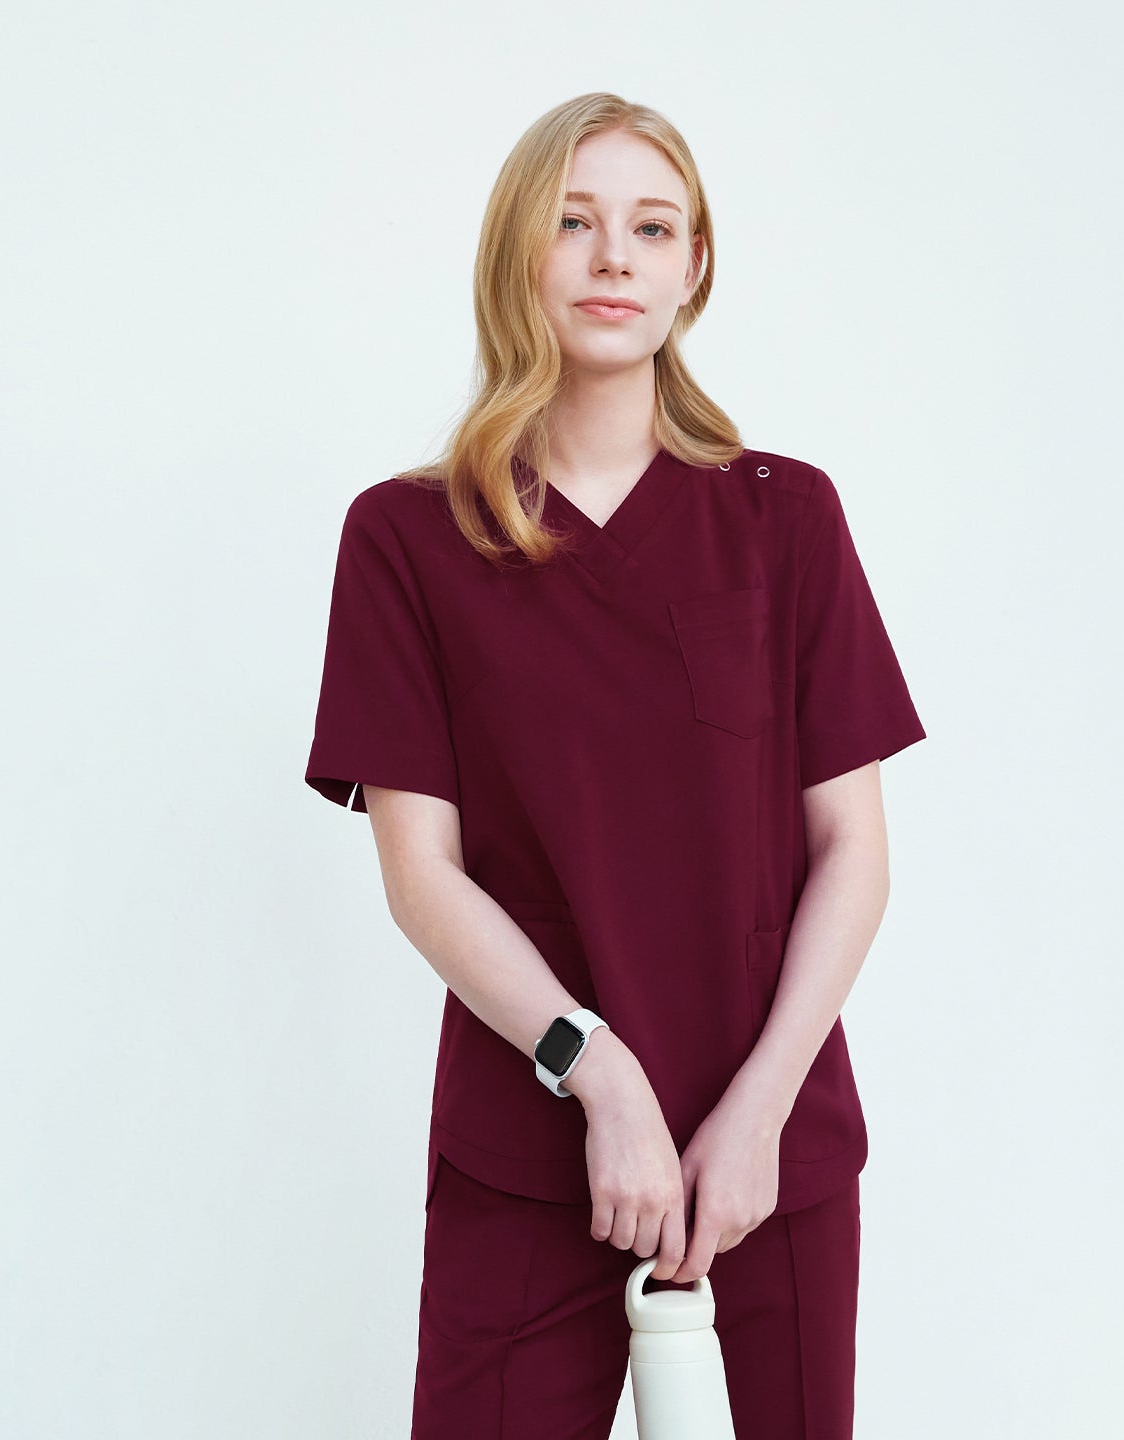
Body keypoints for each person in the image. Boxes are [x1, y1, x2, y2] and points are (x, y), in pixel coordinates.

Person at [304, 91, 926, 1440]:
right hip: (529, 1153)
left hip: (771, 1157)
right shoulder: (410, 542)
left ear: (695, 265)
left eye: (653, 227)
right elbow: (424, 877)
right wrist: (602, 1078)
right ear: (517, 254)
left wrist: (755, 1111)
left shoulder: (787, 519)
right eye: (574, 223)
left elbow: (854, 852)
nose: (613, 258)